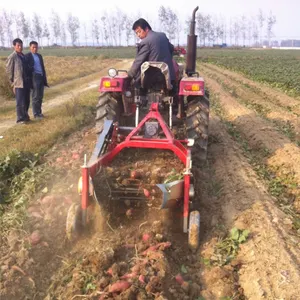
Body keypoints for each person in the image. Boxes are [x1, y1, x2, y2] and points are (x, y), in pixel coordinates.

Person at [128, 18, 175, 86]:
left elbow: (139, 61)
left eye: (139, 31)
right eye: (136, 33)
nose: (138, 35)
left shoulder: (146, 42)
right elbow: (171, 48)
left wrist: (130, 74)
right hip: (169, 77)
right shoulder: (163, 35)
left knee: (134, 85)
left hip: (152, 80)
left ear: (146, 29)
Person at [6, 38, 31, 124]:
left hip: (26, 82)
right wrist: (13, 84)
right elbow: (9, 72)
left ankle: (25, 116)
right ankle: (20, 119)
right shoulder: (12, 57)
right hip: (18, 83)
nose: (20, 47)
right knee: (20, 102)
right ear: (14, 46)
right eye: (18, 46)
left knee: (27, 100)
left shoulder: (23, 56)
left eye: (21, 45)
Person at [26, 41, 48, 119]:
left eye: (36, 47)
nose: (35, 49)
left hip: (41, 76)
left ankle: (39, 112)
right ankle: (36, 114)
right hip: (34, 77)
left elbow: (42, 67)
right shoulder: (28, 56)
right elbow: (26, 69)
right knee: (35, 96)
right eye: (33, 47)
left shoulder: (39, 56)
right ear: (30, 47)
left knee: (40, 96)